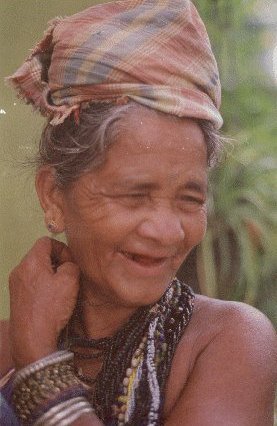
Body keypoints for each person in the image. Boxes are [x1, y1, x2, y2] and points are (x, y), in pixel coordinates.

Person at [0, 0, 276, 425]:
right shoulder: (5, 347)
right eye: (133, 195)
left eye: (190, 199)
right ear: (54, 195)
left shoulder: (228, 343)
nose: (167, 232)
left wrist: (40, 365)